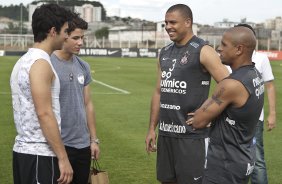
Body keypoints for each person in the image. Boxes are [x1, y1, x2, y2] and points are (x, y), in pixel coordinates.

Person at [145, 4, 229, 184]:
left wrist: (208, 111)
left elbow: (228, 85)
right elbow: (159, 91)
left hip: (192, 136)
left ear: (188, 22)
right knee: (166, 180)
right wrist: (152, 128)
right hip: (166, 134)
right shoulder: (164, 52)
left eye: (173, 22)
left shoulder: (203, 50)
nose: (168, 26)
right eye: (166, 22)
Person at [187, 26, 265, 183]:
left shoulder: (230, 84)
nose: (218, 48)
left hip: (225, 165)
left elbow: (198, 121)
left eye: (224, 44)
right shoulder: (254, 74)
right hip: (243, 156)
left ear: (239, 49)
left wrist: (207, 115)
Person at [10, 4, 75, 184]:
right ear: (53, 31)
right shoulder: (40, 63)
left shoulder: (23, 61)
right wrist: (63, 157)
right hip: (39, 154)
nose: (67, 36)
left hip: (24, 153)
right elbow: (44, 113)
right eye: (65, 31)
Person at [51, 15, 100, 184]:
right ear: (64, 36)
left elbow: (88, 104)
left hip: (83, 145)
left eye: (82, 38)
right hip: (59, 145)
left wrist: (93, 140)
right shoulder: (47, 64)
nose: (81, 42)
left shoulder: (83, 66)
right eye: (76, 38)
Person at [233, 23, 276, 184]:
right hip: (231, 118)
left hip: (254, 119)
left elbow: (269, 85)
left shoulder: (261, 58)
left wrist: (272, 113)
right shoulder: (230, 57)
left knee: (257, 159)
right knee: (232, 158)